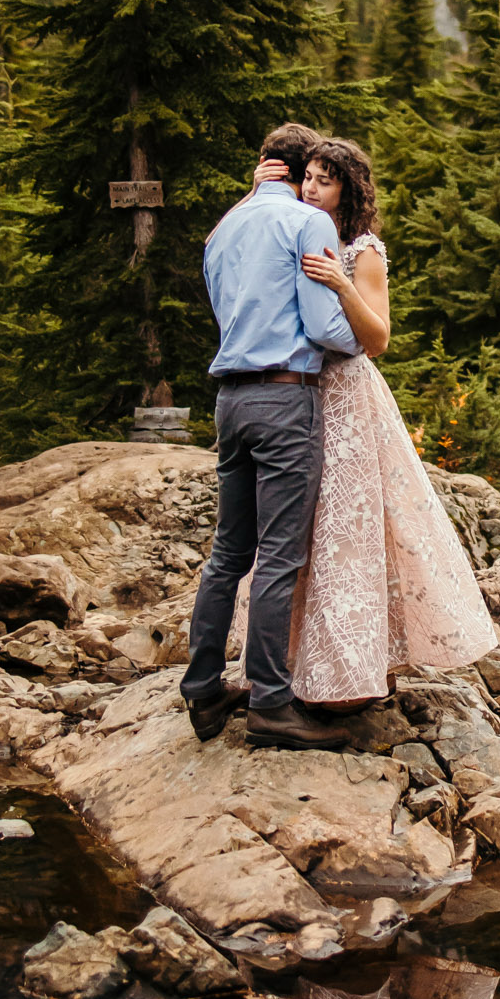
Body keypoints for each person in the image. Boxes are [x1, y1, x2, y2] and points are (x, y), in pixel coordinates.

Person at [280, 135, 496, 701]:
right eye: (308, 177)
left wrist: (341, 282)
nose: (311, 187)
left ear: (347, 190)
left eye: (325, 180)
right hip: (298, 393)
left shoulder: (363, 249)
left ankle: (360, 666)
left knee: (352, 529)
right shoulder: (294, 231)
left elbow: (378, 338)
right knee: (302, 527)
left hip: (349, 397)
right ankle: (299, 658)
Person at [181, 122, 361, 751]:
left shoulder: (222, 230)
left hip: (229, 399)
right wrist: (360, 336)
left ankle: (203, 689)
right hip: (285, 397)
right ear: (294, 170)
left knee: (228, 553)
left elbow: (224, 306)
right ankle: (271, 705)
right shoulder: (308, 223)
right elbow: (322, 325)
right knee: (280, 556)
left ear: (262, 167)